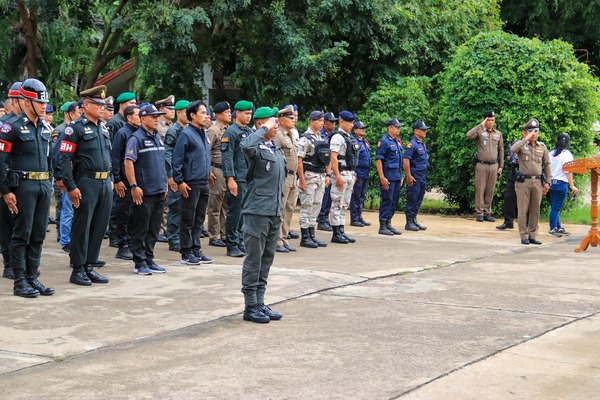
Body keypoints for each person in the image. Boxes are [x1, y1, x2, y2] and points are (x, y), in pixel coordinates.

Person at [0, 78, 55, 297]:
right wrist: (5, 191)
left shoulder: (44, 127)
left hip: (42, 185)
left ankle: (33, 277)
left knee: (38, 233)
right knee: (21, 234)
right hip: (22, 186)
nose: (43, 106)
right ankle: (19, 280)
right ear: (25, 101)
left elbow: (49, 159)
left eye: (45, 102)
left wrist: (49, 182)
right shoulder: (11, 127)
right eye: (39, 102)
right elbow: (1, 161)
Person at [59, 85, 111, 286]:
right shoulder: (75, 128)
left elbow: (108, 155)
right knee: (82, 226)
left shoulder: (103, 127)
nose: (102, 107)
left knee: (99, 226)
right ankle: (78, 268)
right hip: (86, 182)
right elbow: (64, 159)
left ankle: (90, 265)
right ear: (86, 105)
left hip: (104, 182)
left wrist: (111, 179)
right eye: (98, 104)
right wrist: (71, 186)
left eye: (103, 104)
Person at [239, 106, 285, 323]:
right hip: (257, 211)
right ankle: (250, 306)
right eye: (272, 122)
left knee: (266, 259)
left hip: (273, 211)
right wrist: (263, 129)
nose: (276, 126)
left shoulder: (274, 147)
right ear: (260, 124)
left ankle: (260, 301)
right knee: (254, 259)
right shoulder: (253, 145)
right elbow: (245, 145)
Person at [124, 104, 168, 275]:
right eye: (153, 117)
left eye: (157, 116)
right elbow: (128, 162)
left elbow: (161, 162)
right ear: (142, 118)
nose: (157, 119)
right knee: (141, 228)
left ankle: (149, 259)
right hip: (144, 192)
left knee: (153, 229)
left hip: (158, 190)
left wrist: (164, 183)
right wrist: (134, 186)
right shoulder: (136, 138)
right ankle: (139, 262)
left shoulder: (157, 137)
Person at [172, 100, 213, 265]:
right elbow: (177, 159)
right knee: (188, 218)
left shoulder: (203, 133)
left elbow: (203, 156)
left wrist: (208, 172)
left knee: (199, 219)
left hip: (203, 181)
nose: (206, 116)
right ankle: (186, 251)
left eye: (206, 113)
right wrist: (180, 181)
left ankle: (196, 249)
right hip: (190, 182)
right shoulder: (186, 134)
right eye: (202, 113)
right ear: (192, 115)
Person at [510, 118, 552, 245]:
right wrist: (526, 139)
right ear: (525, 132)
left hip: (537, 182)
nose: (534, 134)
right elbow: (513, 149)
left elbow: (547, 164)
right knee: (523, 209)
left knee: (535, 210)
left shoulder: (542, 147)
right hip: (524, 182)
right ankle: (524, 235)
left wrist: (548, 182)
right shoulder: (522, 145)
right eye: (531, 131)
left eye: (536, 131)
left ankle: (533, 235)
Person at [222, 100, 254, 257]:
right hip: (237, 178)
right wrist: (230, 178)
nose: (249, 116)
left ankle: (241, 241)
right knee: (235, 212)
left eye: (250, 114)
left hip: (247, 178)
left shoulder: (249, 131)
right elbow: (227, 156)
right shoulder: (231, 132)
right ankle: (232, 244)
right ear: (238, 113)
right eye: (246, 113)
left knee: (245, 213)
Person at [110, 105, 141, 260]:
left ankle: (131, 243)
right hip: (124, 181)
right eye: (138, 115)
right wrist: (117, 179)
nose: (141, 118)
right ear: (129, 117)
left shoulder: (140, 133)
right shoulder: (122, 133)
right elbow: (116, 157)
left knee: (134, 215)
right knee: (123, 214)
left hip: (136, 181)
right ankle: (122, 246)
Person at [297, 110, 330, 248]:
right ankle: (305, 237)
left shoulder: (321, 138)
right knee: (307, 206)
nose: (322, 123)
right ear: (312, 121)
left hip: (320, 175)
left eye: (323, 121)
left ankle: (312, 235)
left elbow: (326, 158)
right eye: (319, 121)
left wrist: (327, 175)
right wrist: (302, 180)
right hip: (309, 176)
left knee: (316, 206)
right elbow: (299, 161)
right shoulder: (305, 139)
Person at [0, 82, 23, 280]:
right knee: (7, 224)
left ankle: (22, 264)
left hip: (25, 183)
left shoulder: (32, 124)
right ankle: (8, 263)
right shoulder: (5, 124)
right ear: (15, 101)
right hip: (6, 181)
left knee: (24, 226)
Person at [467, 111, 504, 222]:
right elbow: (469, 135)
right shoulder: (480, 132)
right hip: (481, 165)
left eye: (493, 120)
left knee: (490, 190)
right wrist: (481, 125)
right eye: (488, 120)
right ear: (484, 120)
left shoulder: (498, 134)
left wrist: (501, 165)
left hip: (494, 165)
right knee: (480, 189)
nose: (491, 122)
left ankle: (487, 212)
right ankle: (479, 213)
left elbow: (501, 150)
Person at [52, 102, 79, 253]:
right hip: (68, 177)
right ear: (70, 114)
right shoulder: (64, 131)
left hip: (79, 178)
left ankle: (73, 239)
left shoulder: (80, 130)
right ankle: (65, 240)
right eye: (79, 112)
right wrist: (59, 177)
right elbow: (56, 156)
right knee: (67, 210)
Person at [329, 110, 359, 244]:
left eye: (352, 122)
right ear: (341, 121)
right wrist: (337, 176)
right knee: (337, 203)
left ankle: (341, 230)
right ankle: (336, 233)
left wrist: (353, 173)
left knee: (344, 204)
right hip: (341, 174)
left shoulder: (349, 137)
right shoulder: (337, 137)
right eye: (349, 122)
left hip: (349, 174)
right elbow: (333, 158)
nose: (352, 125)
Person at [164, 99, 190, 252]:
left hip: (188, 175)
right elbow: (168, 155)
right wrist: (171, 176)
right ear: (178, 113)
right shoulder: (173, 131)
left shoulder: (190, 130)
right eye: (186, 112)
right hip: (177, 175)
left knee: (186, 208)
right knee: (176, 207)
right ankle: (173, 239)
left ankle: (182, 237)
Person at [273, 105, 299, 253]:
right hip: (284, 176)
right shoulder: (278, 135)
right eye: (290, 118)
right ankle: (276, 239)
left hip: (292, 176)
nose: (293, 120)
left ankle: (284, 237)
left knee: (289, 208)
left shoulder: (290, 135)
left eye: (293, 117)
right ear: (281, 120)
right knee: (280, 208)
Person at [206, 101, 231, 248]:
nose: (229, 114)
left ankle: (223, 234)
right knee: (215, 205)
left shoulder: (228, 130)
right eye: (226, 112)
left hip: (226, 171)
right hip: (216, 170)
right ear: (219, 115)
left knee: (225, 205)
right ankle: (214, 236)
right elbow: (205, 151)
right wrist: (208, 171)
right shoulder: (213, 130)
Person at [375, 118, 404, 235]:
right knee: (387, 200)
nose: (399, 129)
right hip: (388, 177)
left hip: (396, 176)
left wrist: (400, 176)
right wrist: (382, 177)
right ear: (390, 128)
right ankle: (382, 226)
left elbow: (398, 161)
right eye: (397, 127)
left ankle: (388, 223)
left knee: (394, 201)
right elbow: (379, 159)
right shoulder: (384, 142)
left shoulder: (397, 141)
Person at [548, 133, 579, 236]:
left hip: (551, 183)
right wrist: (572, 186)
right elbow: (568, 171)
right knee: (556, 208)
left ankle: (558, 227)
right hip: (561, 184)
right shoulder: (567, 154)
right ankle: (553, 228)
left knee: (554, 206)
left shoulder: (551, 153)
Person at [403, 120, 430, 231]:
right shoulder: (412, 144)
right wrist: (409, 175)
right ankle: (409, 222)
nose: (425, 132)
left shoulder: (421, 144)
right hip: (415, 176)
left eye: (425, 130)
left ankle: (414, 219)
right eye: (423, 130)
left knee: (418, 199)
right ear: (416, 131)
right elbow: (406, 159)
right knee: (412, 199)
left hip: (422, 176)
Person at [317, 112, 337, 231]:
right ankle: (322, 218)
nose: (333, 124)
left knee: (329, 196)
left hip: (331, 169)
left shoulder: (333, 135)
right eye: (331, 122)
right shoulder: (322, 135)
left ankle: (325, 217)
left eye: (335, 122)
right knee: (324, 195)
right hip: (323, 169)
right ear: (325, 123)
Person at [350, 120, 372, 227]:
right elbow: (353, 158)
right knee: (356, 196)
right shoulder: (354, 142)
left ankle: (359, 216)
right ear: (355, 130)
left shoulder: (365, 142)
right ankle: (354, 218)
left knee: (362, 196)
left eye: (364, 128)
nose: (363, 130)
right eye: (361, 128)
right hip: (358, 171)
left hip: (365, 172)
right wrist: (354, 173)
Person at [496, 140, 519, 230]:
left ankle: (527, 223)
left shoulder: (528, 148)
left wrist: (517, 160)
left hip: (523, 175)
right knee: (508, 198)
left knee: (524, 201)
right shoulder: (514, 148)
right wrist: (511, 159)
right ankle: (508, 221)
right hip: (513, 174)